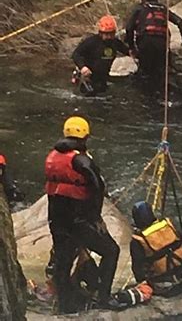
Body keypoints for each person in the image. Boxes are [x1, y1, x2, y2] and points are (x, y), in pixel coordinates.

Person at [45, 116, 120, 313]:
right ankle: (104, 298)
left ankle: (64, 305)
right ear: (85, 136)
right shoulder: (81, 159)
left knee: (64, 260)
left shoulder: (53, 156)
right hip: (79, 222)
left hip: (57, 220)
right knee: (111, 251)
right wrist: (95, 216)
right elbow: (97, 185)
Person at [125, 0, 182, 95]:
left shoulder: (140, 8)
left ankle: (144, 97)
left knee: (145, 72)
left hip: (145, 42)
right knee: (160, 72)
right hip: (161, 43)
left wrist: (132, 47)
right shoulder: (162, 8)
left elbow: (129, 28)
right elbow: (179, 21)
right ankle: (162, 95)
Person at [129, 201, 182, 297]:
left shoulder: (138, 240)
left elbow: (138, 269)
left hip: (165, 287)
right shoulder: (169, 226)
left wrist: (142, 283)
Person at [72, 15, 130, 96]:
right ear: (100, 33)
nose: (109, 37)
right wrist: (82, 67)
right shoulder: (91, 42)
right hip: (87, 78)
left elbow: (128, 51)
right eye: (106, 34)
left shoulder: (115, 43)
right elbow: (76, 54)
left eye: (111, 34)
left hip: (102, 78)